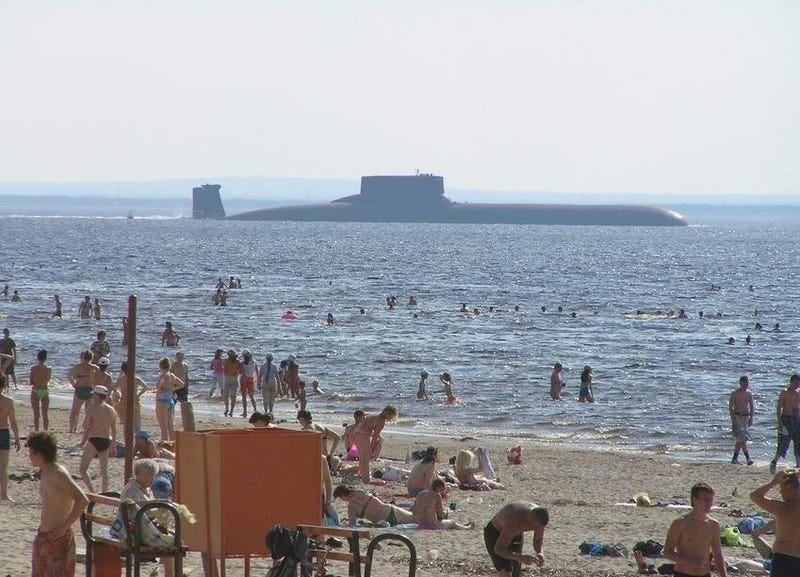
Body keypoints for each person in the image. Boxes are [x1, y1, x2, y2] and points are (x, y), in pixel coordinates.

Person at [28, 431, 89, 577]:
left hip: (58, 537)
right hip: (44, 535)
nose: (29, 457)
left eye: (31, 453)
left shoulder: (58, 473)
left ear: (39, 454)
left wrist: (64, 527)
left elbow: (82, 499)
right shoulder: (45, 472)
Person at [664, 482, 727, 577]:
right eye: (706, 499)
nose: (709, 503)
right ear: (695, 500)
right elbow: (668, 552)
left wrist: (724, 575)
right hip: (683, 574)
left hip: (705, 574)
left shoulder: (713, 525)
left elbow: (717, 554)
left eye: (711, 499)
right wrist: (690, 561)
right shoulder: (680, 523)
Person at [751, 471, 800, 576]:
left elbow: (755, 496)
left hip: (783, 558)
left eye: (781, 489)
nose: (780, 492)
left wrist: (773, 482)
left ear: (789, 489)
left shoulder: (783, 508)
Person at [484, 502, 548, 576]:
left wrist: (540, 552)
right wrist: (521, 558)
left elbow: (538, 540)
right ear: (529, 520)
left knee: (515, 573)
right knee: (506, 573)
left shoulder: (540, 519)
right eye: (534, 527)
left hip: (515, 535)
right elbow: (499, 549)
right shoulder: (514, 521)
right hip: (495, 534)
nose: (536, 529)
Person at [78, 385, 118, 493]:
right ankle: (104, 492)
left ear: (96, 395)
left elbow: (85, 425)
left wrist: (88, 427)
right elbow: (114, 430)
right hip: (106, 440)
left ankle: (91, 490)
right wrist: (114, 446)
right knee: (104, 471)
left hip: (94, 439)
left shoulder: (92, 407)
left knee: (82, 469)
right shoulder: (112, 410)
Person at [353, 405, 397, 483]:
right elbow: (375, 436)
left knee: (362, 458)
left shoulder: (375, 415)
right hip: (363, 435)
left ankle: (362, 476)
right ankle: (366, 480)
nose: (391, 419)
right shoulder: (381, 420)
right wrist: (372, 448)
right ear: (388, 413)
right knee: (365, 459)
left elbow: (365, 424)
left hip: (357, 433)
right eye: (392, 416)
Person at [333, 485, 414, 526]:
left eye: (340, 498)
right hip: (390, 511)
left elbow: (352, 524)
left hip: (383, 522)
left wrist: (346, 522)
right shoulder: (360, 492)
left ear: (342, 495)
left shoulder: (351, 507)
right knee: (416, 518)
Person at [771, 374, 800, 473]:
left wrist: (798, 410)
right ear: (791, 382)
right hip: (786, 420)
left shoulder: (798, 393)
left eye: (798, 383)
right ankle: (774, 462)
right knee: (783, 444)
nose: (797, 385)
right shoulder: (784, 392)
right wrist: (780, 422)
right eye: (795, 383)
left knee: (798, 443)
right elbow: (779, 408)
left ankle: (798, 465)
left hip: (796, 420)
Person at [0, 364, 21, 500]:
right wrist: (17, 438)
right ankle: (4, 495)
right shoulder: (8, 401)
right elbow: (13, 422)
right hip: (4, 432)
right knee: (3, 467)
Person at [67, 350, 99, 433]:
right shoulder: (94, 367)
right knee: (88, 412)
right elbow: (100, 378)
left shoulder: (78, 366)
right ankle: (87, 429)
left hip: (79, 389)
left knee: (75, 412)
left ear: (82, 358)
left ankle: (72, 429)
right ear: (91, 358)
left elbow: (69, 375)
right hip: (90, 390)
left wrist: (73, 384)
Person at [115, 361, 149, 434]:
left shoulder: (121, 380)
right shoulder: (136, 379)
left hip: (124, 402)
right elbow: (145, 387)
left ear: (123, 369)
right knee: (137, 425)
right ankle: (136, 442)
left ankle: (127, 443)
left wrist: (120, 375)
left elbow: (114, 388)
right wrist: (139, 395)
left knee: (126, 425)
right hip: (134, 401)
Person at [155, 357, 183, 441]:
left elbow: (160, 386)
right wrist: (172, 389)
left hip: (162, 400)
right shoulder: (172, 375)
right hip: (170, 399)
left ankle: (165, 445)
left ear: (160, 366)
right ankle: (173, 444)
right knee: (170, 426)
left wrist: (159, 391)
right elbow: (181, 384)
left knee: (163, 426)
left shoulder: (164, 375)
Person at [730, 375, 755, 465]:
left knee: (741, 439)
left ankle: (734, 459)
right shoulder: (735, 393)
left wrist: (751, 418)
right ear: (740, 383)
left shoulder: (749, 393)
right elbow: (730, 407)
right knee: (742, 438)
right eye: (744, 383)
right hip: (737, 416)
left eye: (747, 383)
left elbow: (752, 406)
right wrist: (733, 419)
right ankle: (748, 459)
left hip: (745, 417)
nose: (746, 385)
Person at [30, 349, 52, 431]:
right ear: (45, 358)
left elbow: (31, 381)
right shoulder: (49, 368)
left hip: (36, 390)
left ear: (37, 358)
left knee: (36, 414)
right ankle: (45, 431)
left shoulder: (33, 368)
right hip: (44, 390)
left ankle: (36, 431)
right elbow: (48, 379)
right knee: (45, 414)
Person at [239, 349, 258, 418]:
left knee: (244, 397)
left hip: (244, 379)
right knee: (251, 396)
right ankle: (255, 410)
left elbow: (241, 372)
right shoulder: (254, 362)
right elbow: (257, 371)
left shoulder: (242, 363)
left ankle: (245, 412)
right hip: (251, 378)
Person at [222, 350, 240, 417]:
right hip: (234, 378)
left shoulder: (226, 361)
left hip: (228, 378)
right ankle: (231, 410)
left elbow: (224, 371)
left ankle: (227, 409)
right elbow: (240, 370)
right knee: (233, 396)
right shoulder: (237, 362)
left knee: (226, 395)